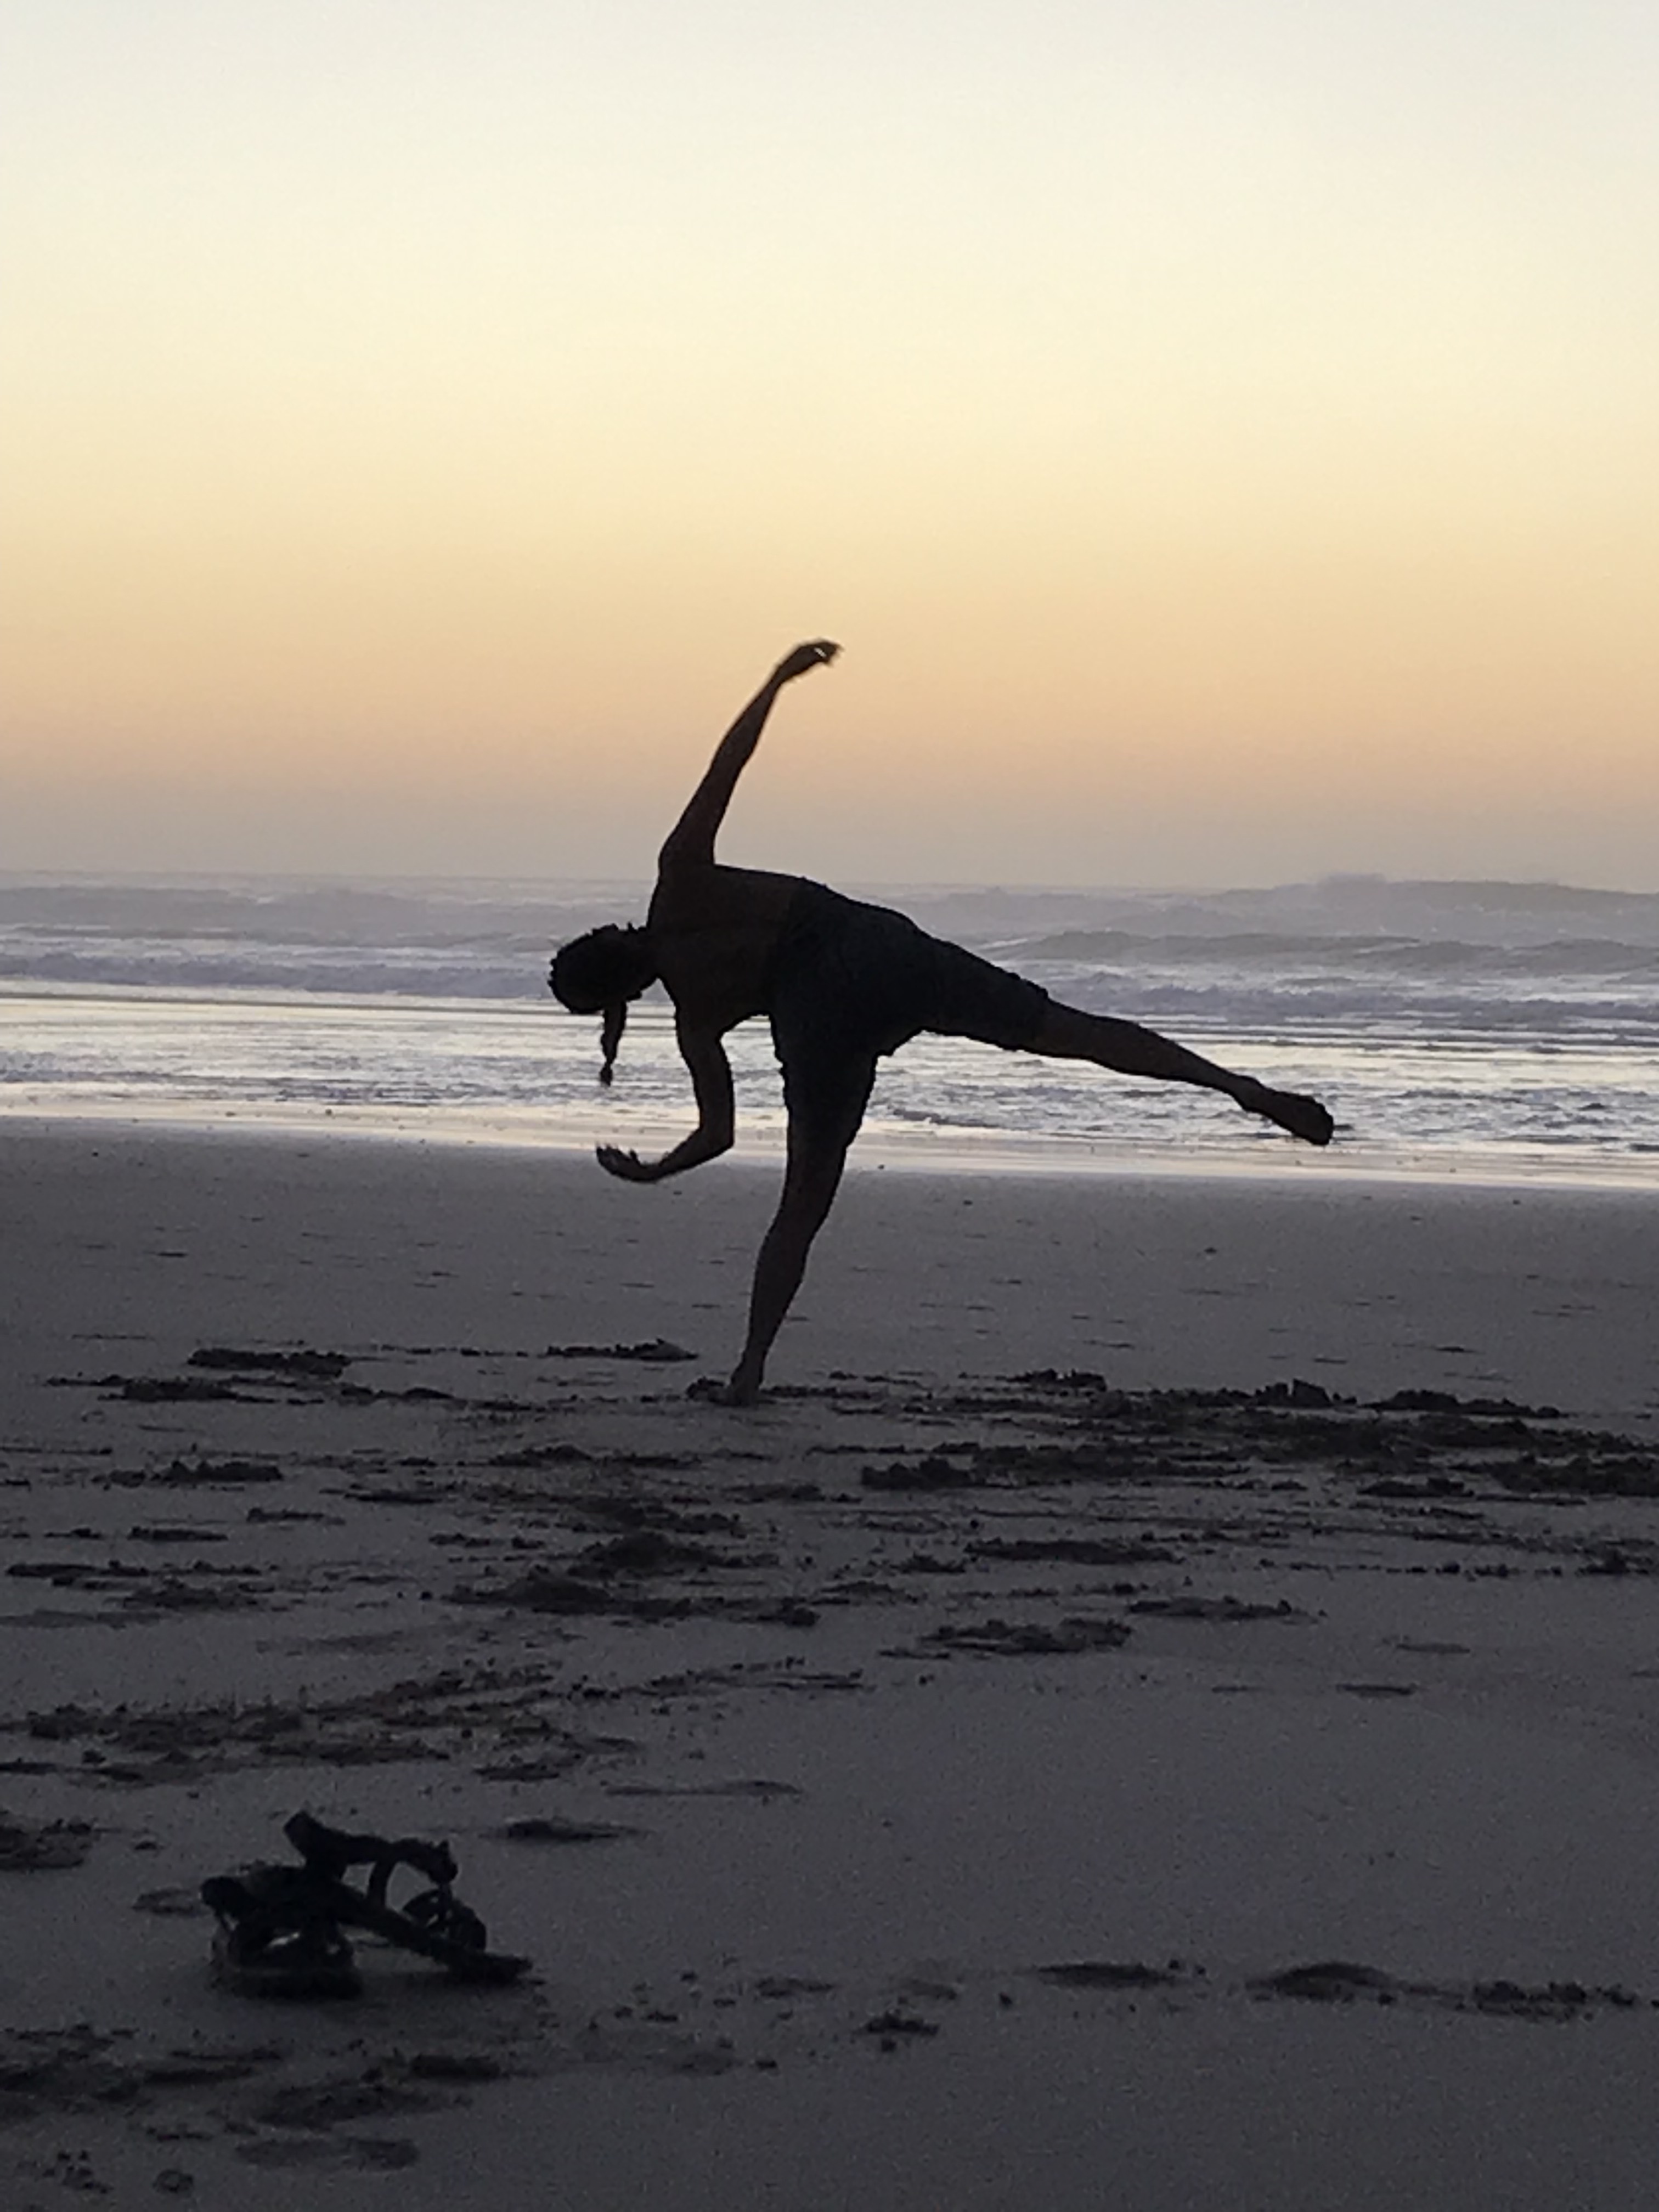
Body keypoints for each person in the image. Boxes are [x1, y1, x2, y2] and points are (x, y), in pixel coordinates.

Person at [549, 642, 1334, 1403]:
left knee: (803, 1205)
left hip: (818, 1018)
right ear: (605, 935)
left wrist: (656, 1171)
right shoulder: (680, 877)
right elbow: (729, 764)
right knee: (1069, 1031)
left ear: (621, 996)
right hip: (873, 946)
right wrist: (777, 681)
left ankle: (750, 1370)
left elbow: (718, 1135)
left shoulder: (695, 1020)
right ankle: (1240, 1088)